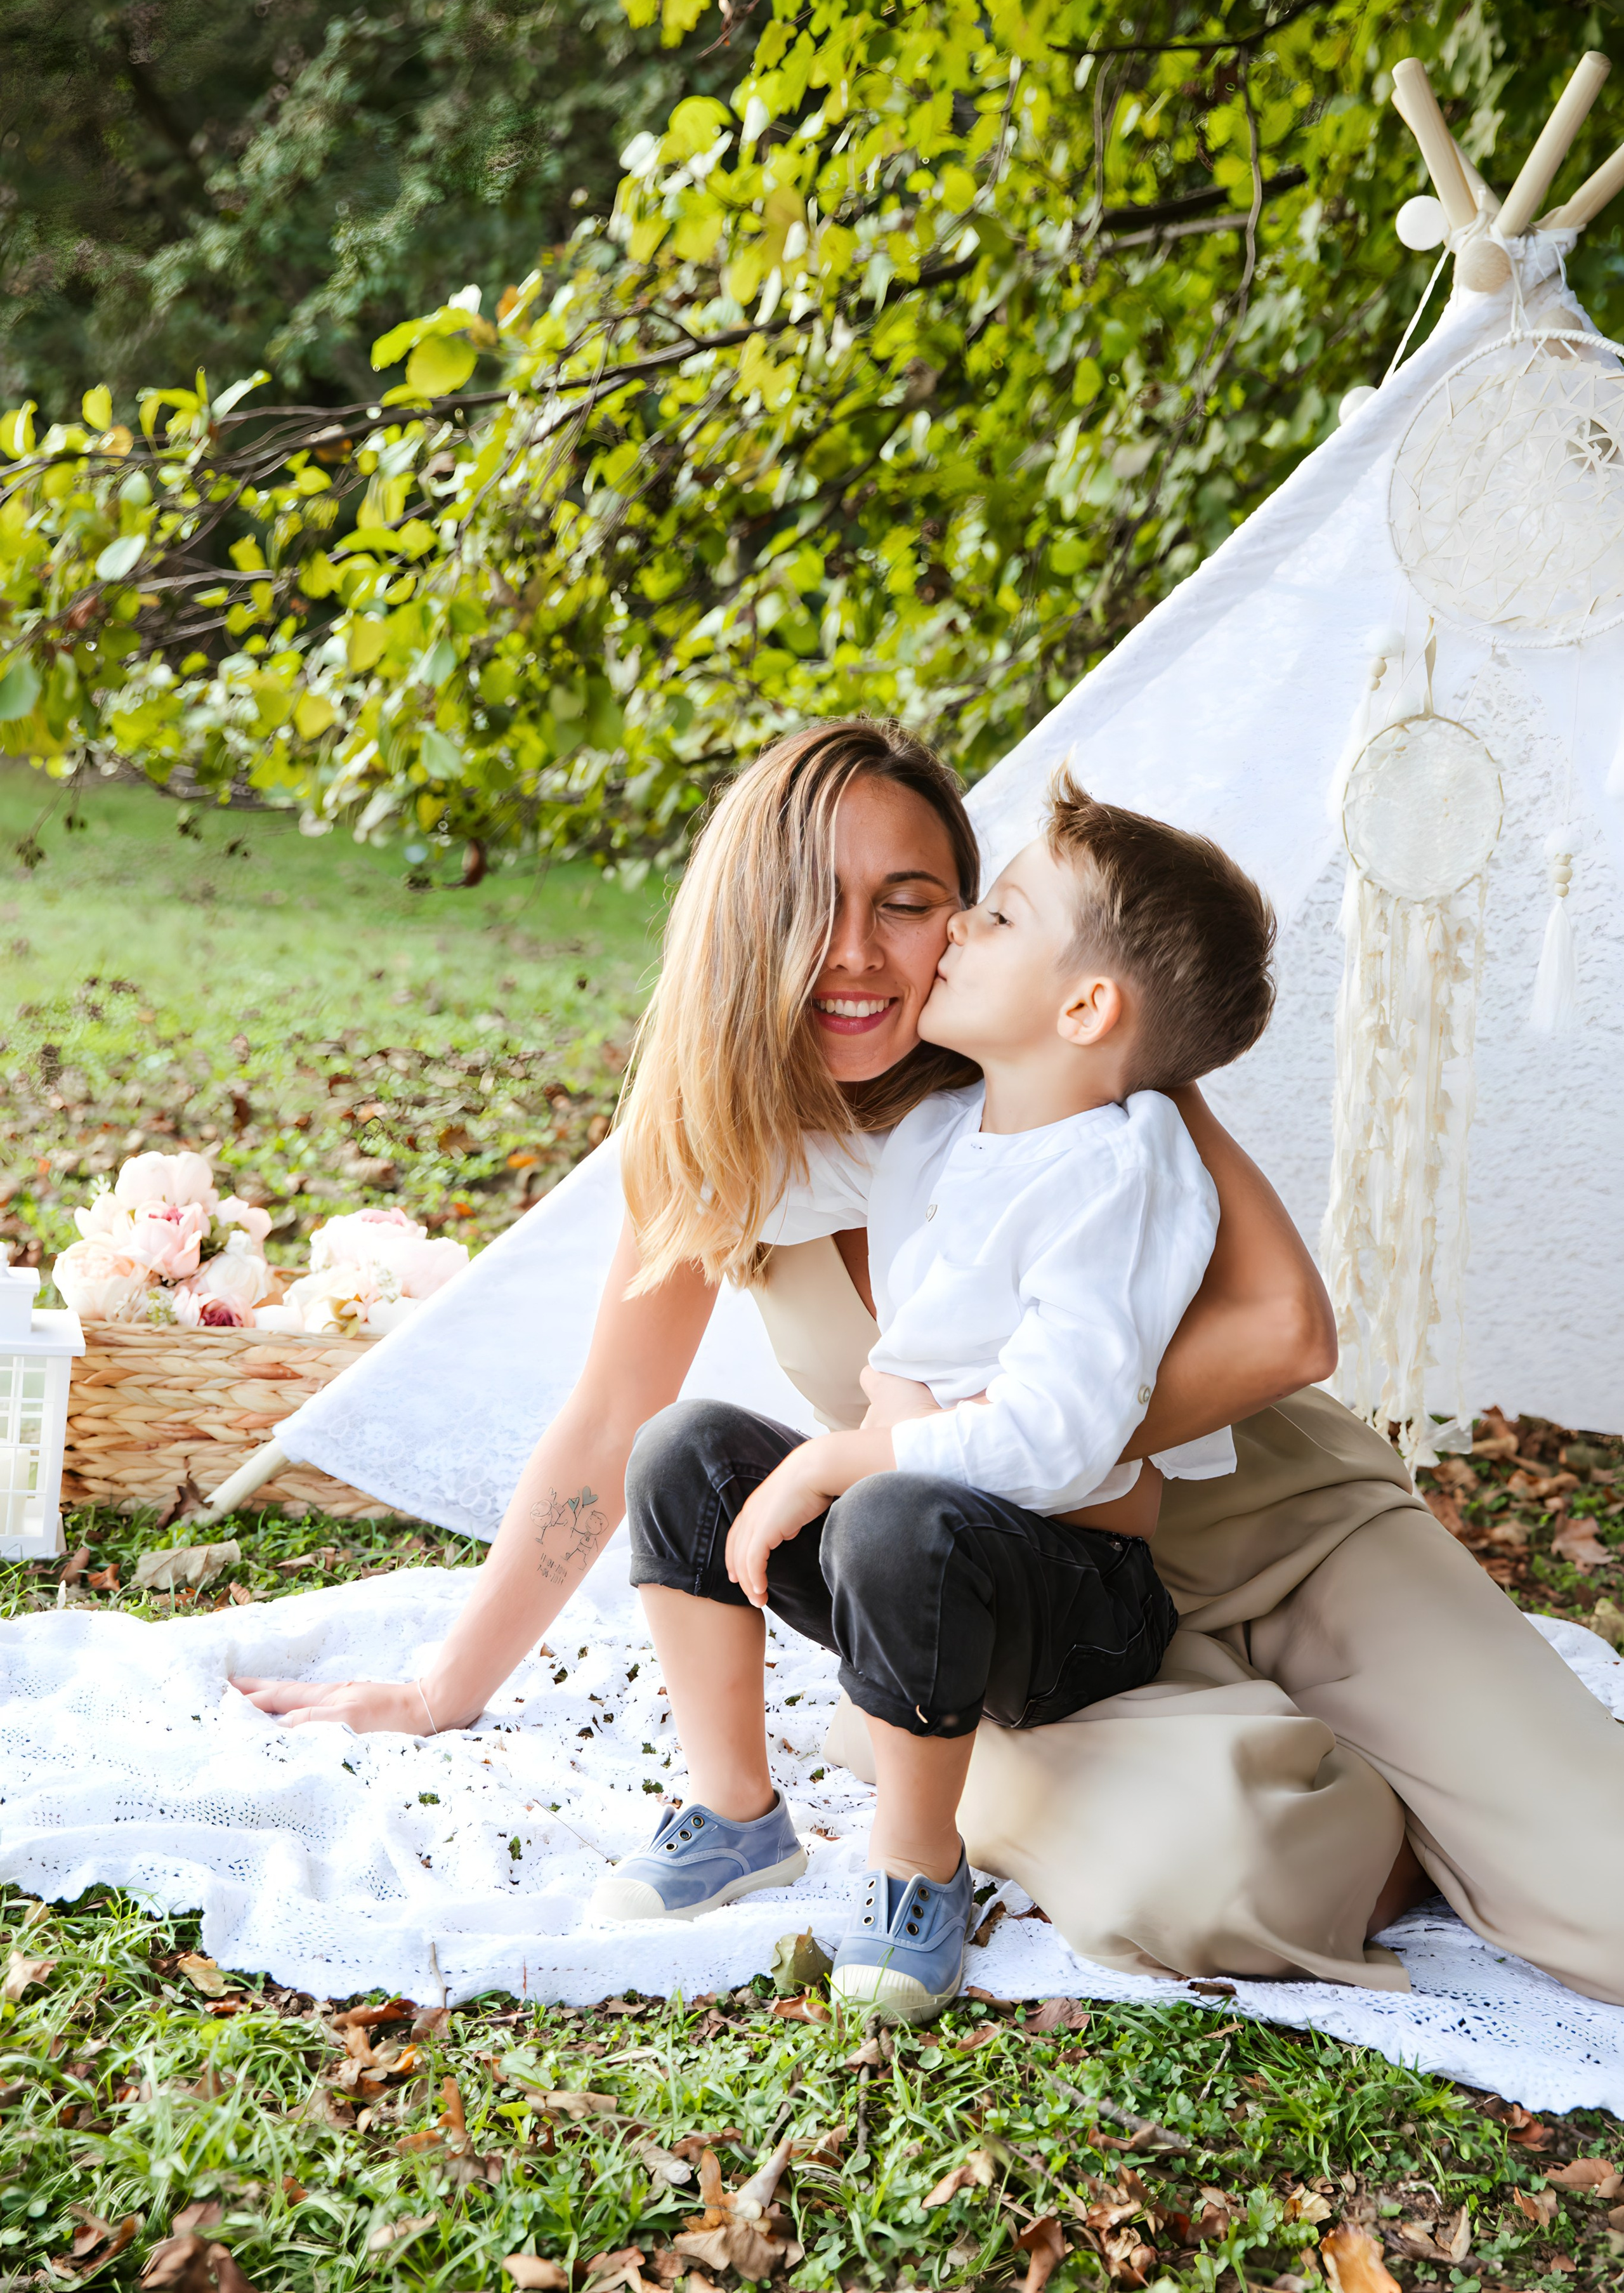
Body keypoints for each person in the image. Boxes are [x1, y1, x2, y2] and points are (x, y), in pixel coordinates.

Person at [235, 720, 1624, 2004]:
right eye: (814, 899)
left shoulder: (1062, 1068)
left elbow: (1286, 1332)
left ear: (971, 923)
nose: (860, 950)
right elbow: (612, 1421)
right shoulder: (726, 1147)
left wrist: (1009, 1435)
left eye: (909, 899)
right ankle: (1341, 1808)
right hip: (1025, 1605)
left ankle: (1413, 1765)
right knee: (1215, 1883)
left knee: (1608, 1895)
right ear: (747, 915)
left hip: (1280, 1540)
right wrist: (441, 1688)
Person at [590, 780, 1278, 2025]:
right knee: (685, 1451)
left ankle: (915, 1866)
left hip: (1074, 1603)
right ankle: (738, 1812)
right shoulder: (941, 1133)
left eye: (995, 917)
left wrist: (831, 1462)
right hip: (927, 1560)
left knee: (889, 1509)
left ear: (1082, 1006)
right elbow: (752, 1172)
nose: (955, 931)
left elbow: (1061, 1440)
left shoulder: (1119, 1173)